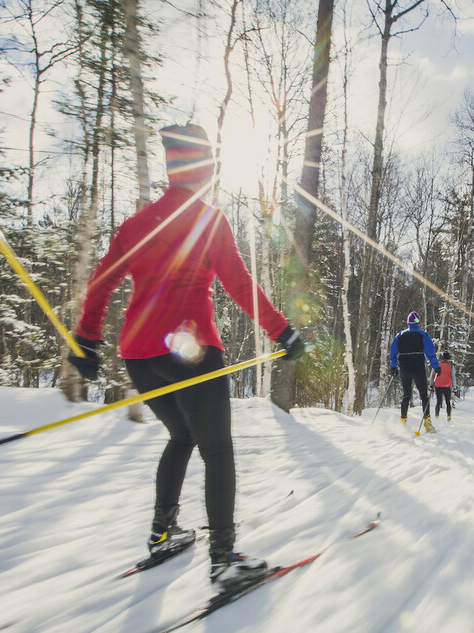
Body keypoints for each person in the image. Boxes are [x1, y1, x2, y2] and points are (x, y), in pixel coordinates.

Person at [68, 123, 305, 591]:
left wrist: (86, 340)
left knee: (181, 436)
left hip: (139, 355)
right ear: (204, 170)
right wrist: (282, 331)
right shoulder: (208, 219)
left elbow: (102, 281)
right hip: (190, 350)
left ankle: (163, 533)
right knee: (216, 447)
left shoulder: (136, 225)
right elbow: (239, 285)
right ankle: (223, 559)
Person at [388, 311, 440, 432]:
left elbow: (393, 353)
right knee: (424, 395)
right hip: (418, 368)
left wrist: (393, 367)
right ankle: (427, 424)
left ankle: (403, 422)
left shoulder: (400, 335)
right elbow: (430, 353)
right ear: (419, 322)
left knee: (406, 395)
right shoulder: (423, 335)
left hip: (405, 368)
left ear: (408, 322)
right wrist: (436, 367)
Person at [434, 350, 454, 420]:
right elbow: (453, 376)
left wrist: (431, 385)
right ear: (448, 358)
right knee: (448, 402)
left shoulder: (437, 365)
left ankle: (436, 416)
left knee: (438, 401)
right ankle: (448, 416)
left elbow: (432, 375)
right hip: (447, 386)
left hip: (438, 385)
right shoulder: (450, 366)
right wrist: (454, 387)